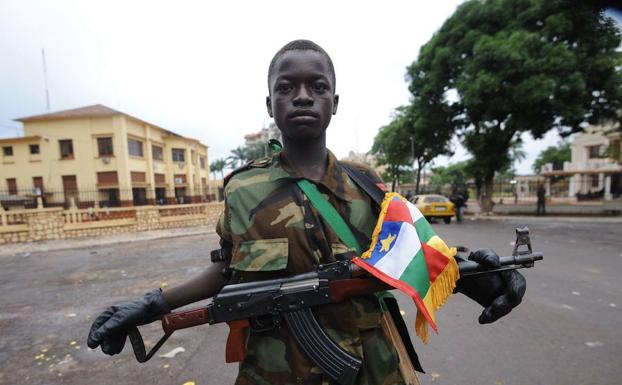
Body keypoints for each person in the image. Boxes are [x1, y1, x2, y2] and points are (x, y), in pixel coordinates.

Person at [87, 40, 527, 385]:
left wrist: (474, 275)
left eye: (317, 87)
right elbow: (226, 272)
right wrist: (148, 306)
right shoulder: (242, 189)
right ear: (269, 104)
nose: (302, 97)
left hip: (371, 366)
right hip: (274, 371)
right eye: (286, 87)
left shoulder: (366, 183)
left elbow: (409, 255)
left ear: (334, 102)